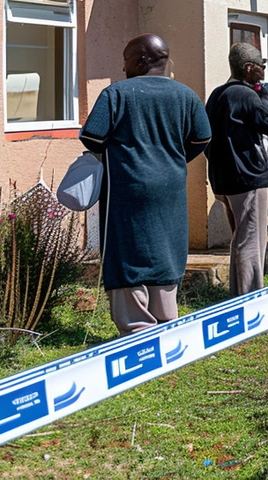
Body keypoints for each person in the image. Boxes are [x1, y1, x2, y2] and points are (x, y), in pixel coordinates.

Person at [81, 34, 211, 336]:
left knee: (127, 249)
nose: (123, 66)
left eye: (126, 59)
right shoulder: (187, 95)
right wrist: (172, 158)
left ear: (140, 60)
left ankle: (136, 327)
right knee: (167, 247)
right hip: (171, 187)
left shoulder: (116, 94)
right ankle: (165, 320)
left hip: (127, 187)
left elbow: (92, 136)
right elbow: (202, 138)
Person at [205, 42, 268, 298]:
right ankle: (250, 299)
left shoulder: (216, 94)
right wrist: (265, 96)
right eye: (261, 67)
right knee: (251, 242)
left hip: (223, 178)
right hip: (247, 178)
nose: (264, 72)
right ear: (248, 69)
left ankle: (239, 294)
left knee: (239, 238)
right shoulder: (246, 95)